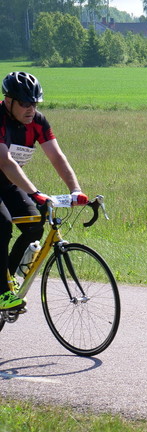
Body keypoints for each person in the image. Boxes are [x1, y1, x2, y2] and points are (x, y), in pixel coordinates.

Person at [0, 71, 88, 311]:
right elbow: (6, 163)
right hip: (4, 175)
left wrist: (75, 189)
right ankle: (1, 292)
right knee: (3, 224)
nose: (31, 109)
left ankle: (7, 281)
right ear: (8, 101)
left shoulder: (37, 121)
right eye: (26, 103)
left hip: (6, 184)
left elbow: (57, 156)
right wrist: (35, 192)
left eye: (35, 103)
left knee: (35, 224)